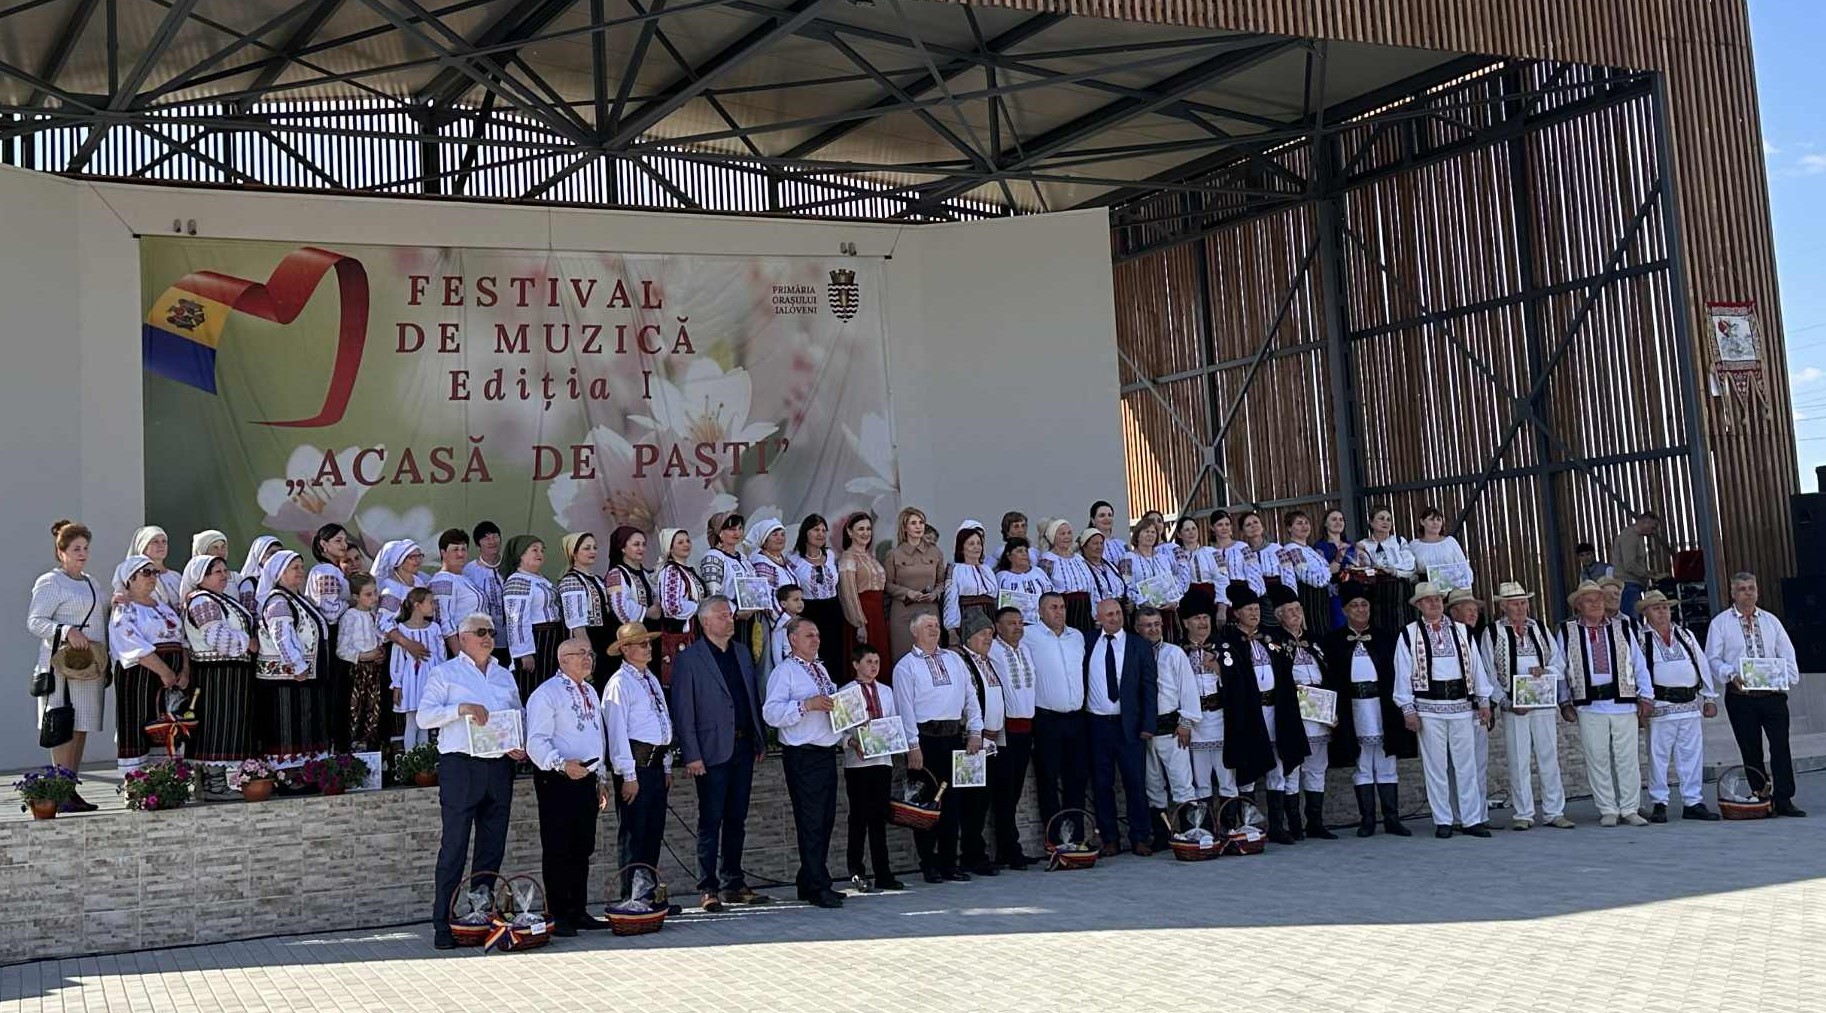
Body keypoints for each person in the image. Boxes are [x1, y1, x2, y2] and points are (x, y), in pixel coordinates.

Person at [419, 614, 527, 949]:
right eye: (481, 632)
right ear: (463, 637)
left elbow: (517, 714)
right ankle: (443, 922)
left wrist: (518, 743)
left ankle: (479, 914)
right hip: (461, 766)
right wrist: (460, 708)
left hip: (499, 766)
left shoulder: (503, 674)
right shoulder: (445, 673)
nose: (488, 637)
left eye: (491, 632)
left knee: (492, 845)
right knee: (454, 846)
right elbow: (424, 716)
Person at [669, 596, 772, 911]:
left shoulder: (741, 652)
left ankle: (733, 882)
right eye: (723, 615)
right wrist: (692, 754)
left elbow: (751, 696)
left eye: (730, 614)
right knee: (711, 819)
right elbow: (683, 709)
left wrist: (759, 738)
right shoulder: (690, 658)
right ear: (705, 622)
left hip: (743, 746)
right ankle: (707, 887)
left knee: (737, 818)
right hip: (711, 750)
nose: (730, 620)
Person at [1393, 582, 1495, 838]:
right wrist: (1407, 708)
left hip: (1461, 706)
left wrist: (1483, 701)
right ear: (1419, 605)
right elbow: (1402, 673)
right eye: (1428, 600)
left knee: (1466, 765)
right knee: (1435, 767)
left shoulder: (1461, 631)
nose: (1435, 603)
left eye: (1437, 599)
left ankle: (1471, 819)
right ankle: (1443, 820)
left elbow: (1476, 667)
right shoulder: (1409, 634)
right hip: (1428, 708)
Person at [527, 636, 612, 936]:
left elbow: (597, 737)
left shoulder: (590, 690)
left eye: (590, 653)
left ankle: (578, 909)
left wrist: (601, 777)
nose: (588, 658)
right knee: (558, 846)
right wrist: (562, 764)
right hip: (558, 778)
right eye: (581, 653)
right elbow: (536, 741)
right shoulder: (546, 694)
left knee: (582, 846)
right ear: (563, 660)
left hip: (586, 777)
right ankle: (558, 913)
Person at [1705, 572, 1806, 817]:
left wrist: (1787, 678)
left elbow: (1787, 653)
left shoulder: (1771, 621)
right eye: (1742, 589)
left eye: (1751, 588)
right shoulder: (1720, 623)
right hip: (1741, 697)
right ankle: (1761, 797)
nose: (1748, 593)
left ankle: (1784, 798)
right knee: (1750, 749)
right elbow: (1712, 658)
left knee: (1780, 746)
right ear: (1733, 593)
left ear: (1757, 591)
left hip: (1772, 695)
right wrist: (1730, 674)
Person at [1213, 583, 1307, 845]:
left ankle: (1277, 826)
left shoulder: (1269, 638)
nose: (1254, 613)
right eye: (1249, 610)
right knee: (1249, 765)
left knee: (1278, 764)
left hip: (1276, 710)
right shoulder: (1228, 642)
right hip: (1250, 713)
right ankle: (1248, 824)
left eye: (1256, 609)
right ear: (1236, 613)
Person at [893, 613, 985, 881]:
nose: (934, 629)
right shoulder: (906, 666)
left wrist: (975, 731)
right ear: (915, 632)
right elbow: (904, 708)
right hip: (925, 740)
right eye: (928, 626)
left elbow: (970, 695)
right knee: (925, 802)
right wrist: (913, 746)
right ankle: (928, 863)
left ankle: (949, 862)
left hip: (953, 737)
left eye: (936, 625)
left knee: (952, 803)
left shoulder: (954, 659)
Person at [1319, 583, 1415, 837]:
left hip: (1382, 706)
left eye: (1364, 605)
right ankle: (1368, 819)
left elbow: (1398, 673)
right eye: (1354, 606)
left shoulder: (1385, 638)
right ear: (1344, 610)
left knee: (1386, 761)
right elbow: (1330, 679)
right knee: (1362, 762)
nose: (1360, 610)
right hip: (1354, 708)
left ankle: (1392, 818)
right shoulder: (1333, 642)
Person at [763, 617, 846, 908]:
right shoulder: (784, 672)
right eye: (809, 635)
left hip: (825, 751)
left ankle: (810, 878)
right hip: (803, 754)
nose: (816, 640)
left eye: (818, 635)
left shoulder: (820, 668)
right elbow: (771, 713)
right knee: (810, 821)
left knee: (824, 820)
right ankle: (817, 885)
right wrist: (806, 705)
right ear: (793, 640)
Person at [1556, 580, 1653, 827]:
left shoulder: (1623, 627)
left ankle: (1630, 808)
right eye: (1589, 600)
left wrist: (1646, 695)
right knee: (1597, 757)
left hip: (1623, 701)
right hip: (1589, 704)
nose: (1596, 604)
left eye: (1598, 599)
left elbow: (1638, 663)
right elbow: (1560, 668)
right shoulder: (1567, 630)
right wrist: (1564, 701)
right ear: (1579, 606)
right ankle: (1608, 808)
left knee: (1627, 758)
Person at [1480, 581, 1573, 831]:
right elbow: (1489, 673)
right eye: (1514, 604)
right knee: (1518, 759)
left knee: (1548, 756)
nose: (1521, 608)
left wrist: (1545, 670)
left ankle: (1554, 812)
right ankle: (1523, 813)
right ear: (1503, 607)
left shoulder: (1539, 628)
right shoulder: (1492, 633)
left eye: (1523, 603)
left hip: (1543, 703)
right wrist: (1505, 702)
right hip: (1514, 706)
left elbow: (1559, 662)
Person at [28, 520, 106, 806]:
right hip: (61, 666)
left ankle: (69, 788)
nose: (82, 553)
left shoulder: (92, 583)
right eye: (76, 549)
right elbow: (35, 621)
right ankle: (59, 789)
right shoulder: (51, 581)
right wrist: (66, 631)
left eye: (85, 548)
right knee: (62, 725)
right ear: (61, 552)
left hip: (88, 667)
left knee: (81, 725)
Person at [602, 623, 677, 913]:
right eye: (641, 644)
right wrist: (628, 775)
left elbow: (662, 720)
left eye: (648, 643)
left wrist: (666, 765)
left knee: (652, 831)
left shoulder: (650, 678)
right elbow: (617, 733)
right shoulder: (619, 683)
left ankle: (647, 892)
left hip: (655, 765)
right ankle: (631, 895)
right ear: (625, 649)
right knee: (634, 832)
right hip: (637, 765)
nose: (648, 648)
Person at [1635, 590, 1721, 822]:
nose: (1662, 612)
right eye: (1656, 608)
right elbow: (1635, 671)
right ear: (1646, 612)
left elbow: (1701, 664)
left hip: (1689, 705)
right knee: (1658, 756)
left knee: (1691, 755)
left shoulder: (1685, 635)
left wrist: (1709, 697)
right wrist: (1641, 702)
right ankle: (1659, 803)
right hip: (1660, 706)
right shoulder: (1640, 639)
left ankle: (1693, 802)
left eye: (1665, 607)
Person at [1082, 598, 1157, 856]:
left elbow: (1149, 686)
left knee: (1135, 782)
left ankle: (1140, 837)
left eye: (1117, 613)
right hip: (1097, 725)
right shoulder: (1087, 642)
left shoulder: (1138, 645)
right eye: (1109, 614)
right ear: (1098, 618)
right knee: (1102, 784)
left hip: (1129, 726)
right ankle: (1109, 839)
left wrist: (1148, 723)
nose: (1114, 618)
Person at [180, 554, 257, 797]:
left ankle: (214, 783)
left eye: (225, 571)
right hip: (214, 676)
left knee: (225, 724)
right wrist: (248, 642)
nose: (224, 576)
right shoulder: (202, 601)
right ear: (201, 577)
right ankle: (214, 784)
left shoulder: (220, 599)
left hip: (229, 674)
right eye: (217, 572)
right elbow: (217, 637)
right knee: (215, 725)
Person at [1266, 584, 1335, 840]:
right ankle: (1293, 824)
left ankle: (1315, 821)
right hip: (1293, 713)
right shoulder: (1273, 642)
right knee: (1291, 766)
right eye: (1290, 610)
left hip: (1320, 712)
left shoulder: (1314, 640)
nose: (1296, 614)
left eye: (1298, 609)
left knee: (1317, 767)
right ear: (1279, 615)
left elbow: (1329, 673)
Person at [110, 554, 188, 773]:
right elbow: (131, 643)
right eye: (146, 573)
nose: (152, 577)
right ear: (130, 579)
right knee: (138, 725)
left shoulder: (164, 608)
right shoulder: (125, 608)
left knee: (168, 726)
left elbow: (181, 641)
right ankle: (139, 783)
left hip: (171, 680)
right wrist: (164, 671)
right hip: (141, 678)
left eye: (154, 572)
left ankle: (168, 779)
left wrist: (184, 671)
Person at [254, 550, 331, 770]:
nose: (300, 571)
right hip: (286, 680)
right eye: (294, 568)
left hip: (303, 677)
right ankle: (288, 774)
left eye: (301, 567)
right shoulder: (278, 601)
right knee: (288, 727)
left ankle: (309, 772)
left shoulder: (297, 599)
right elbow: (281, 635)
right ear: (280, 573)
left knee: (305, 726)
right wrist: (297, 665)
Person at [840, 644, 904, 890]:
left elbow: (894, 721)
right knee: (858, 817)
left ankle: (883, 872)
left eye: (876, 662)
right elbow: (838, 730)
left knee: (879, 816)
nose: (874, 666)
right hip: (857, 763)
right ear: (856, 664)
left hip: (882, 761)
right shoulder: (845, 693)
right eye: (868, 662)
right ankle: (856, 871)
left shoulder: (886, 691)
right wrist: (851, 742)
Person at [1135, 605, 1199, 850]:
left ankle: (1192, 832)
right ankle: (1162, 835)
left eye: (1156, 624)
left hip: (1172, 728)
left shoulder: (1174, 653)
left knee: (1182, 782)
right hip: (1144, 730)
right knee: (1152, 784)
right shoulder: (1132, 653)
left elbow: (1187, 688)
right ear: (1138, 628)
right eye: (1147, 625)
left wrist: (1186, 722)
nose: (1153, 629)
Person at [1026, 591, 1088, 831]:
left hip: (1076, 719)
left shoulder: (1077, 637)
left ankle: (1076, 836)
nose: (1059, 612)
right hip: (1047, 720)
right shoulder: (1029, 636)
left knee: (1077, 779)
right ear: (1040, 611)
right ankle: (1054, 839)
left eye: (1062, 607)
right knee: (1048, 780)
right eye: (1053, 607)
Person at [952, 612, 1004, 876]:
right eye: (983, 633)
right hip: (971, 744)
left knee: (982, 801)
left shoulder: (987, 662)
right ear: (969, 637)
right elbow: (965, 701)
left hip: (991, 744)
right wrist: (973, 734)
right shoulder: (961, 663)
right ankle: (972, 854)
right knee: (971, 803)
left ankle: (976, 852)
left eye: (990, 633)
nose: (988, 638)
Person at [988, 606, 1038, 869]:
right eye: (1011, 623)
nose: (1017, 627)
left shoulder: (1026, 650)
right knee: (1004, 791)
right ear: (998, 627)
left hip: (1026, 727)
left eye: (1020, 622)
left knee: (1015, 790)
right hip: (1005, 729)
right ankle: (1008, 848)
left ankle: (1008, 847)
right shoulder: (994, 651)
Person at [1177, 589, 1234, 807]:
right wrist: (1184, 722)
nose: (1203, 623)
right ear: (1186, 623)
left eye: (1205, 617)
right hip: (1194, 724)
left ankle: (1230, 823)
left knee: (1228, 780)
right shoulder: (1179, 651)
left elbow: (1239, 683)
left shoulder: (1224, 647)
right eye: (1197, 618)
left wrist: (1219, 669)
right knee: (1201, 782)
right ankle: (1207, 824)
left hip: (1221, 720)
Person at [305, 524, 355, 752]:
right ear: (323, 544)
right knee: (335, 692)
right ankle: (335, 749)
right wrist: (352, 603)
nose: (343, 545)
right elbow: (330, 611)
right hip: (332, 638)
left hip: (334, 637)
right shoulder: (326, 571)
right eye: (337, 541)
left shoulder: (331, 570)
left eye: (344, 540)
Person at [373, 541, 430, 730]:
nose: (417, 560)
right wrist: (407, 643)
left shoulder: (419, 583)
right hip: (398, 650)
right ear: (399, 561)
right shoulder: (391, 588)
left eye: (419, 556)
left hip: (419, 649)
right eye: (411, 557)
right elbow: (383, 623)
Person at [501, 535, 562, 703]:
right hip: (536, 640)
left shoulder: (541, 579)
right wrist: (524, 652)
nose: (539, 553)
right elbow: (516, 619)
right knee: (533, 686)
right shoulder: (518, 580)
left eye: (542, 550)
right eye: (534, 550)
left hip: (550, 639)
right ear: (520, 554)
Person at [1446, 586, 1492, 807]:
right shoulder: (1448, 637)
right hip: (1456, 710)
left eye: (1475, 610)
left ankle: (1479, 812)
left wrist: (1486, 704)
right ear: (1454, 612)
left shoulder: (1478, 636)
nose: (1474, 614)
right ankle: (1460, 813)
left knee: (1479, 763)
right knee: (1458, 764)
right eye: (1468, 610)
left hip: (1477, 710)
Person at [335, 573, 389, 751]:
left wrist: (380, 653)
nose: (374, 598)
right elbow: (342, 650)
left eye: (375, 593)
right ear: (356, 596)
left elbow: (379, 639)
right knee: (355, 710)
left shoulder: (374, 615)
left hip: (374, 672)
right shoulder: (350, 617)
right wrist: (364, 656)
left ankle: (371, 749)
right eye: (368, 594)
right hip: (357, 673)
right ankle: (352, 750)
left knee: (374, 710)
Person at [884, 507, 945, 664]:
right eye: (913, 523)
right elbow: (887, 585)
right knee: (904, 657)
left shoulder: (935, 552)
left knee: (931, 656)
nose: (918, 526)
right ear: (904, 528)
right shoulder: (894, 554)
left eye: (921, 522)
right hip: (904, 612)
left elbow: (941, 582)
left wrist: (935, 593)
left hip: (929, 610)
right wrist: (907, 592)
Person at [699, 512, 763, 661]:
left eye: (740, 528)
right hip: (728, 619)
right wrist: (734, 612)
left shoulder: (743, 558)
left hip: (748, 618)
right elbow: (713, 594)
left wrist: (756, 603)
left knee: (747, 660)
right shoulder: (713, 557)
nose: (737, 533)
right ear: (720, 532)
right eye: (731, 529)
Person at [556, 531, 615, 688]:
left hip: (605, 640)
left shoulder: (597, 579)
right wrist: (587, 653)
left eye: (594, 547)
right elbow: (577, 625)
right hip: (590, 640)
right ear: (574, 553)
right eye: (586, 548)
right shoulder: (571, 581)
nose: (592, 551)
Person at [392, 587, 449, 749]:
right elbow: (398, 659)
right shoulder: (402, 630)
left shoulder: (434, 628)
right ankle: (410, 758)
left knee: (425, 721)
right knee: (411, 721)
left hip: (429, 678)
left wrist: (442, 679)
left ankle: (424, 759)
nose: (434, 606)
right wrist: (397, 683)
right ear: (417, 605)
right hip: (411, 679)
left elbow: (441, 654)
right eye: (430, 602)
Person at [791, 514, 846, 674]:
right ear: (805, 532)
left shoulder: (830, 555)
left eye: (823, 530)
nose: (821, 534)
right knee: (812, 654)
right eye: (816, 530)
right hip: (809, 611)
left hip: (833, 610)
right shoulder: (794, 559)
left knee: (834, 654)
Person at [837, 512, 890, 668]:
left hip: (877, 614)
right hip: (862, 614)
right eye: (861, 529)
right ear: (849, 532)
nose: (866, 533)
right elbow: (848, 593)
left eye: (868, 529)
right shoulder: (848, 557)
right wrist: (859, 623)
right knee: (865, 659)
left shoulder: (870, 557)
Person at [656, 527, 707, 682]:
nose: (686, 544)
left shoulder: (687, 570)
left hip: (695, 631)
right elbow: (672, 606)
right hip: (682, 635)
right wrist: (700, 608)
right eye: (680, 542)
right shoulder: (671, 571)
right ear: (670, 548)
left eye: (687, 541)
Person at [1273, 511, 1334, 636]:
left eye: (1306, 522)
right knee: (1315, 632)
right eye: (1299, 523)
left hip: (1321, 597)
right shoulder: (1292, 549)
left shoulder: (1309, 549)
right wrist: (1328, 572)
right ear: (1289, 528)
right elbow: (1306, 575)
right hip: (1309, 596)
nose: (1304, 526)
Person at [1355, 505, 1416, 630]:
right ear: (1371, 522)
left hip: (1400, 593)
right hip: (1376, 595)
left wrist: (1393, 570)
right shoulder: (1363, 544)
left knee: (1403, 629)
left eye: (1388, 519)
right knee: (1380, 630)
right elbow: (1360, 570)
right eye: (1381, 518)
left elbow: (1410, 566)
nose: (1386, 522)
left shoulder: (1399, 541)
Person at [1123, 520, 1182, 642]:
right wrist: (1142, 602)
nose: (1150, 535)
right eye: (1146, 531)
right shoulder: (1127, 558)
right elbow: (1127, 585)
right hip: (1144, 614)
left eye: (1153, 532)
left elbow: (1172, 583)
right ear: (1137, 534)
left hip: (1166, 612)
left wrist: (1174, 601)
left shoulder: (1164, 558)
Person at [606, 526, 663, 649]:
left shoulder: (647, 574)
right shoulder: (616, 574)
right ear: (623, 548)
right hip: (633, 640)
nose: (641, 548)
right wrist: (647, 612)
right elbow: (620, 607)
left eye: (643, 544)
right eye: (636, 544)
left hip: (653, 634)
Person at [428, 529, 483, 657]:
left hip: (474, 641)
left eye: (464, 549)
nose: (460, 554)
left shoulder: (463, 578)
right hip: (458, 645)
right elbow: (444, 621)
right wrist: (460, 656)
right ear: (443, 552)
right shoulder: (443, 580)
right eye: (455, 549)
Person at [1037, 518, 1095, 635]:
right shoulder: (1048, 560)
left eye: (1069, 533)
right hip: (1064, 607)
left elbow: (1091, 585)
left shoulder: (1078, 558)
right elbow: (1044, 588)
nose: (1067, 537)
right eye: (1062, 534)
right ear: (1053, 536)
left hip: (1085, 607)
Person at [464, 521, 510, 667]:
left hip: (512, 637)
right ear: (478, 545)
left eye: (495, 536)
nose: (492, 541)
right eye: (486, 538)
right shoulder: (469, 571)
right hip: (484, 636)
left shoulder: (511, 566)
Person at [945, 520, 999, 645]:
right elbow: (950, 599)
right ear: (962, 548)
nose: (976, 547)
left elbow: (995, 597)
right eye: (971, 544)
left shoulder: (987, 569)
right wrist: (952, 630)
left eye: (979, 543)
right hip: (969, 617)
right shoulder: (955, 569)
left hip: (990, 615)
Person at [1609, 511, 1661, 618]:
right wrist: (1648, 574)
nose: (1653, 531)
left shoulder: (1637, 537)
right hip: (1628, 584)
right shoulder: (1630, 536)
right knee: (1632, 619)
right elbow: (1629, 565)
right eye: (1653, 527)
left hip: (1632, 584)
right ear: (1645, 522)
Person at [1409, 508, 1473, 591]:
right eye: (1431, 519)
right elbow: (1410, 571)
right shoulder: (1414, 545)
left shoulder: (1450, 542)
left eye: (1438, 519)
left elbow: (1463, 567)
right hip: (1426, 591)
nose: (1435, 522)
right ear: (1422, 522)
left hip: (1452, 590)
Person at [993, 537, 1051, 625]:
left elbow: (1050, 594)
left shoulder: (1038, 572)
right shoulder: (1002, 577)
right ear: (1009, 556)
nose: (1024, 554)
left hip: (1041, 623)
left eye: (1026, 551)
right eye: (1019, 551)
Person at [1172, 516, 1227, 607]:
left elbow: (1222, 578)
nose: (1191, 532)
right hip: (1185, 602)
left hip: (1209, 599)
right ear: (1179, 534)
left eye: (1194, 528)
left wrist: (1222, 605)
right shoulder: (1174, 557)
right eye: (1187, 530)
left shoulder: (1212, 552)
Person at [128, 526, 183, 609]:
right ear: (143, 546)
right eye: (155, 542)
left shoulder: (176, 577)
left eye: (164, 541)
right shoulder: (135, 577)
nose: (161, 546)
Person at [236, 535, 282, 613]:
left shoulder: (283, 580)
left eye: (280, 553)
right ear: (260, 558)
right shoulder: (250, 584)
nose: (277, 557)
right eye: (272, 553)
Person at [769, 585, 806, 672]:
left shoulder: (803, 623)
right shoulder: (780, 627)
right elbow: (777, 653)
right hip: (788, 667)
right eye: (796, 600)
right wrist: (781, 670)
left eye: (801, 599)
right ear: (783, 604)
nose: (800, 603)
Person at [1088, 500, 1127, 567]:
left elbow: (1129, 571)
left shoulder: (1121, 544)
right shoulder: (1088, 545)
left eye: (1110, 515)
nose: (1107, 518)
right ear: (1093, 520)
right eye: (1102, 515)